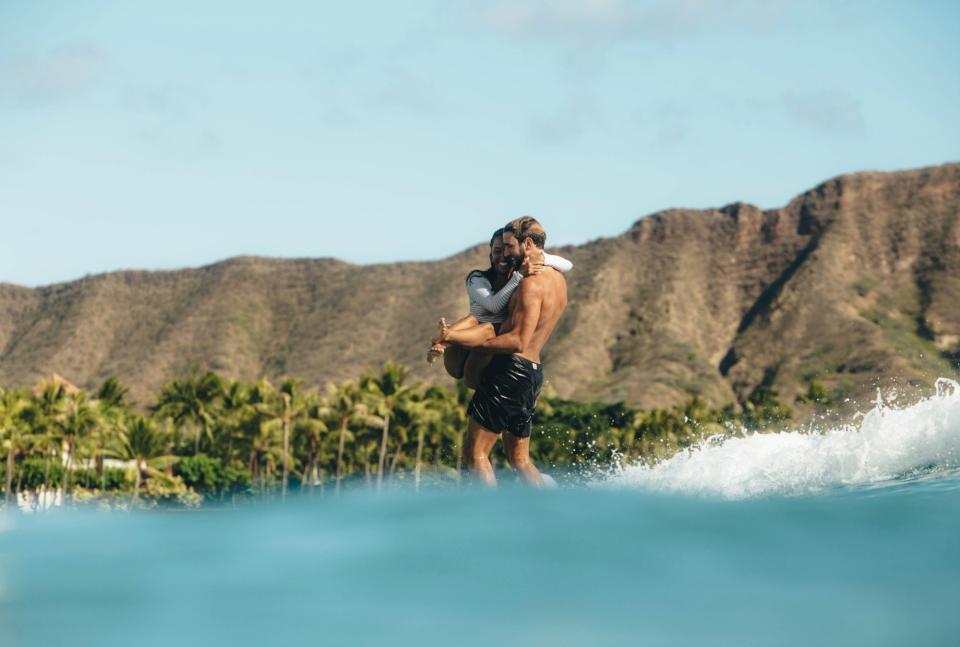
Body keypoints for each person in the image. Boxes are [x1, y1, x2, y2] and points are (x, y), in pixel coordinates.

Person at [437, 216, 568, 487]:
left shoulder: (530, 285)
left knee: (476, 454)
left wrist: (470, 343)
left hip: (509, 370)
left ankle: (489, 524)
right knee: (519, 459)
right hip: (532, 375)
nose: (505, 252)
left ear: (528, 243)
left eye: (509, 246)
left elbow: (518, 341)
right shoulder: (558, 281)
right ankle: (549, 514)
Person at [428, 227, 572, 389]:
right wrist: (519, 276)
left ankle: (445, 338)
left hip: (482, 360)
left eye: (507, 251)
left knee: (488, 329)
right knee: (477, 321)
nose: (503, 256)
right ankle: (445, 339)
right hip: (459, 361)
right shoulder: (477, 279)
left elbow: (567, 264)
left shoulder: (517, 278)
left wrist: (539, 258)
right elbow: (494, 306)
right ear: (490, 253)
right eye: (497, 251)